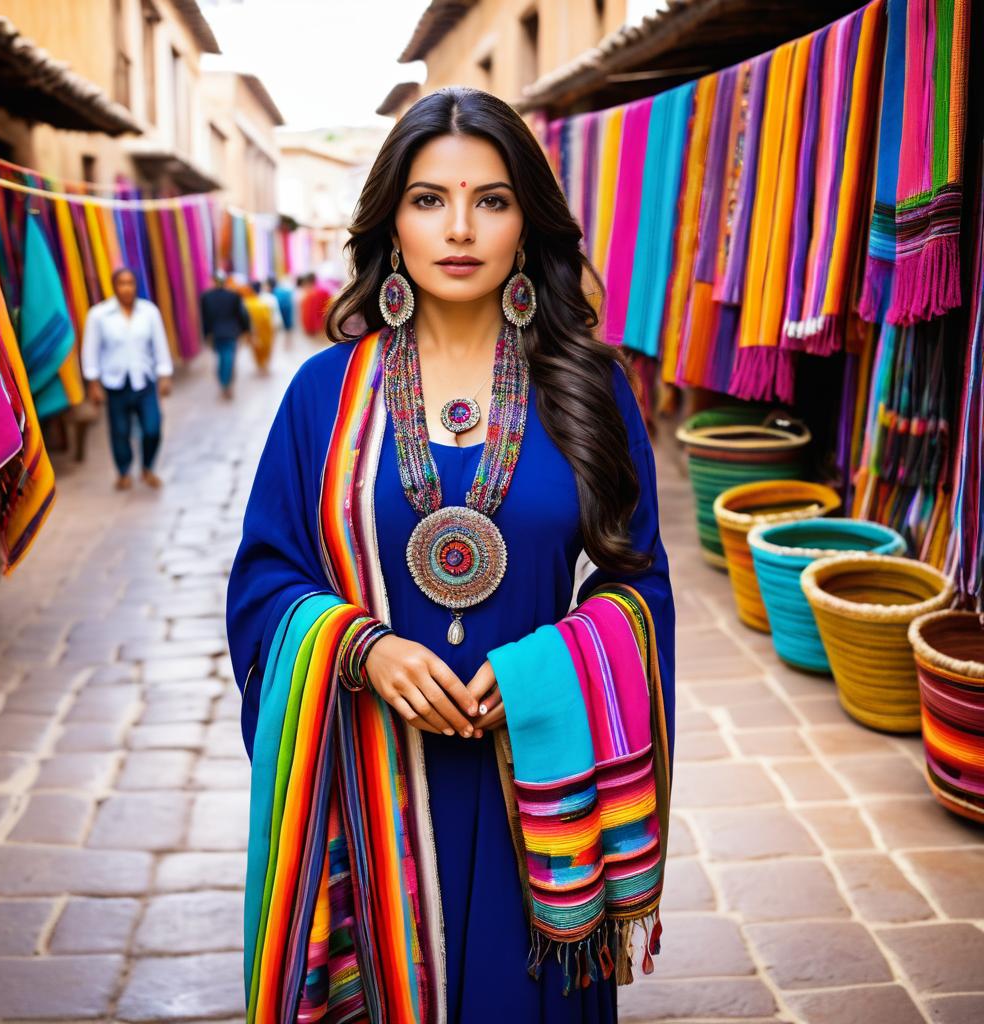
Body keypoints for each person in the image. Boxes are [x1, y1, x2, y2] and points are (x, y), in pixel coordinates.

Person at [226, 87, 675, 1023]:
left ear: (527, 222)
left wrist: (550, 670)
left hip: (542, 790)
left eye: (493, 199)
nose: (461, 227)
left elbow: (638, 582)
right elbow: (267, 581)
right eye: (430, 199)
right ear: (391, 219)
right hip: (371, 791)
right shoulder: (324, 394)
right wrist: (359, 646)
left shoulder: (588, 386)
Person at [82, 267, 172, 490]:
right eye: (121, 283)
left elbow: (159, 344)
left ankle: (147, 468)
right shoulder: (99, 315)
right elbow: (91, 351)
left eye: (130, 283)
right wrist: (93, 383)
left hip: (144, 381)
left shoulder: (149, 312)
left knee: (153, 428)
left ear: (136, 285)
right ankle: (124, 471)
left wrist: (164, 375)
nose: (126, 288)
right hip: (116, 384)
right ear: (114, 286)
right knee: (119, 432)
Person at [200, 270, 250, 399]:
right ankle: (226, 383)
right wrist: (246, 330)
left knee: (222, 358)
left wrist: (206, 334)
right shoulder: (233, 295)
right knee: (229, 357)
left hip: (216, 333)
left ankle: (224, 382)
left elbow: (204, 318)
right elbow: (241, 315)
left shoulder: (206, 297)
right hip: (231, 332)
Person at [241, 280, 276, 373]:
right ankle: (264, 364)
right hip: (266, 330)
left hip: (255, 331)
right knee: (266, 347)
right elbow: (272, 316)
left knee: (256, 349)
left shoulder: (247, 302)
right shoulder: (267, 300)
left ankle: (260, 364)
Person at [297, 271, 332, 338]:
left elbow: (310, 313)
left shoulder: (311, 294)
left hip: (316, 329)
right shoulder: (325, 289)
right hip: (325, 326)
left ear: (308, 282)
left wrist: (310, 328)